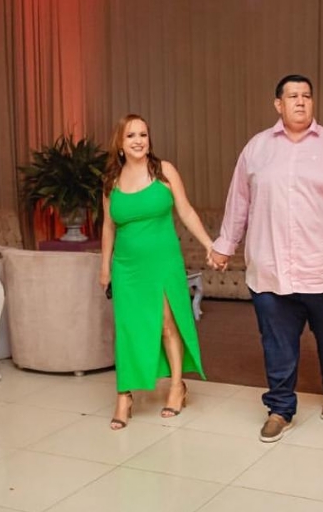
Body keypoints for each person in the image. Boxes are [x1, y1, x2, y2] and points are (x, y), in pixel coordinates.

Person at [210, 73, 323, 442]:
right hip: (271, 268)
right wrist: (225, 245)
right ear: (278, 104)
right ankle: (280, 408)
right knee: (277, 342)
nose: (301, 101)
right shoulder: (256, 149)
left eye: (306, 96)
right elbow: (239, 201)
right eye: (292, 96)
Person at [99, 113, 215, 430]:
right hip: (126, 267)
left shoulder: (164, 171)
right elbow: (108, 227)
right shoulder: (110, 182)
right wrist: (104, 267)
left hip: (163, 262)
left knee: (166, 324)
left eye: (143, 135)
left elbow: (186, 211)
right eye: (131, 136)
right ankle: (124, 396)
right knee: (127, 329)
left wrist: (209, 244)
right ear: (120, 144)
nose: (138, 141)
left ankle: (177, 387)